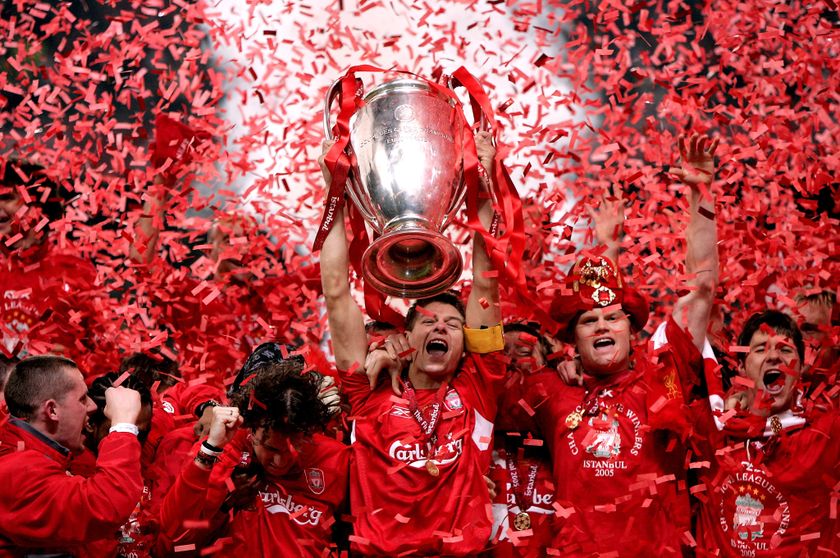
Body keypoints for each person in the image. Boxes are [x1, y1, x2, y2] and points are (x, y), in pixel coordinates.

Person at [528, 133, 720, 556]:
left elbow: (702, 286)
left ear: (632, 331)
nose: (602, 324)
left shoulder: (663, 371)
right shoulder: (549, 388)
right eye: (589, 321)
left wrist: (701, 195)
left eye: (614, 318)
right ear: (571, 340)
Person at [319, 130, 507, 556]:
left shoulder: (478, 387)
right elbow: (336, 291)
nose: (440, 328)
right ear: (408, 335)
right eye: (428, 322)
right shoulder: (367, 392)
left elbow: (485, 284)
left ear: (466, 344)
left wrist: (485, 184)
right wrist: (332, 191)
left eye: (453, 324)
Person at [158, 359, 349, 555]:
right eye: (270, 448)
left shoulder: (337, 458)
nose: (280, 461)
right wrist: (210, 451)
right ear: (252, 429)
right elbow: (173, 537)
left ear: (308, 433)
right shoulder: (224, 448)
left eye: (293, 448)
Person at [692, 310, 840, 557]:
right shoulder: (714, 425)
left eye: (786, 350)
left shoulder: (825, 433)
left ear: (800, 367)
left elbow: (777, 426)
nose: (773, 356)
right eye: (761, 349)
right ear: (741, 366)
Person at [0, 355, 144, 556]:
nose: (92, 406)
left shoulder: (34, 454)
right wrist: (123, 424)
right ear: (52, 410)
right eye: (82, 399)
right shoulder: (17, 471)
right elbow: (105, 506)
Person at [69, 372, 157, 558]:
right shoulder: (69, 478)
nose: (132, 440)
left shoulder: (148, 455)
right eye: (121, 427)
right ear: (90, 424)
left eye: (140, 432)